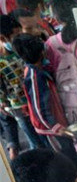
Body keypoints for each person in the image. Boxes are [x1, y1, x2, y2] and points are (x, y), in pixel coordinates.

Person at [14, 33, 76, 163]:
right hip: (49, 126)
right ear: (42, 52)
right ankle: (73, 179)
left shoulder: (38, 69)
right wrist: (55, 127)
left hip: (54, 120)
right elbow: (38, 107)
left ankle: (74, 172)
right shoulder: (34, 76)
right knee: (63, 155)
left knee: (68, 149)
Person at [0, 15, 41, 157]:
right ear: (3, 38)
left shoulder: (21, 49)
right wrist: (3, 103)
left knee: (40, 131)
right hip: (17, 104)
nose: (19, 36)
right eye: (15, 34)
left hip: (33, 98)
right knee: (32, 137)